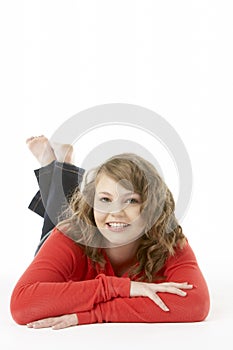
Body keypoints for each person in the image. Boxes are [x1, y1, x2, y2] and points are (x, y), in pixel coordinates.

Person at [10, 135, 210, 330]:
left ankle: (61, 164)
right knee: (60, 215)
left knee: (64, 208)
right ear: (92, 204)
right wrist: (119, 288)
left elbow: (196, 304)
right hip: (68, 234)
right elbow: (22, 305)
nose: (116, 212)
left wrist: (94, 314)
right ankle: (56, 163)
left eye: (131, 200)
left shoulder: (169, 240)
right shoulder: (69, 235)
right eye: (105, 200)